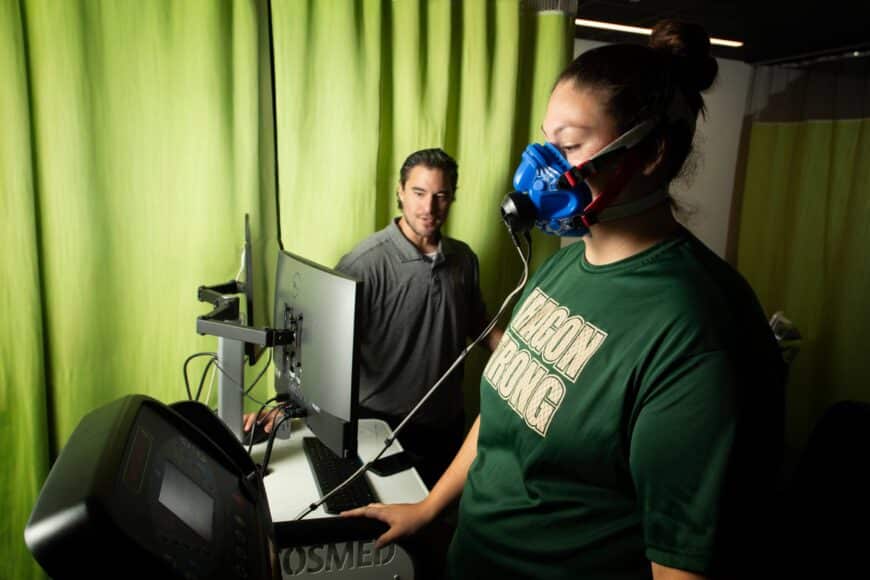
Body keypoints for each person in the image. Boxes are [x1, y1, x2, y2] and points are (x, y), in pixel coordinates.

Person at [342, 20, 786, 579]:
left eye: (569, 146)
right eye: (546, 143)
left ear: (649, 152)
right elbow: (507, 410)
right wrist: (430, 508)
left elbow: (681, 561)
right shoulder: (560, 268)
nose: (542, 169)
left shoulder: (698, 329)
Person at [245, 148, 502, 489]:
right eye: (419, 193)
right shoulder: (364, 264)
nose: (429, 207)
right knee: (384, 516)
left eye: (440, 195)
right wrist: (287, 407)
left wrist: (524, 360)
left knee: (439, 516)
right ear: (400, 191)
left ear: (452, 196)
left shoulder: (464, 259)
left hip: (446, 427)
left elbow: (478, 324)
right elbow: (318, 346)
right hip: (380, 427)